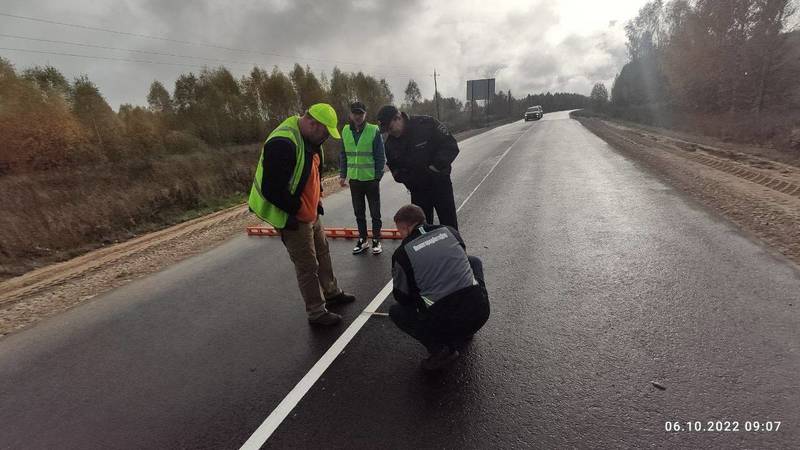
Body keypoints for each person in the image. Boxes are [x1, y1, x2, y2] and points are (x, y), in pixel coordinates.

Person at [248, 103, 355, 326]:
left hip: (310, 210)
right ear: (312, 123)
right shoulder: (282, 143)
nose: (325, 137)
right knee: (308, 265)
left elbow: (313, 173)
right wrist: (297, 212)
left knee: (323, 252)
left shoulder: (312, 139)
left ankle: (332, 292)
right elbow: (272, 189)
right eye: (325, 132)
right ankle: (316, 312)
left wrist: (316, 204)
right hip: (291, 216)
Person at [389, 204, 490, 370]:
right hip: (480, 313)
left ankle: (441, 350)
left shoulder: (402, 253)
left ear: (405, 227)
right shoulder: (449, 231)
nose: (400, 235)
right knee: (474, 261)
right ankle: (466, 330)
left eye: (399, 231)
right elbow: (461, 258)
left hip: (446, 322)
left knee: (397, 310)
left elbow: (402, 297)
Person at [376, 105, 460, 229]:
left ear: (398, 118)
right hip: (418, 191)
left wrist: (434, 168)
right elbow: (395, 170)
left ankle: (454, 248)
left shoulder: (426, 124)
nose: (390, 132)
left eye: (390, 128)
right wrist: (409, 180)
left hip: (440, 184)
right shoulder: (390, 144)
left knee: (449, 226)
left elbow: (450, 146)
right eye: (387, 130)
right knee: (421, 231)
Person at [339, 101, 386, 255]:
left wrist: (377, 177)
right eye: (355, 113)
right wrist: (342, 175)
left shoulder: (374, 130)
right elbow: (343, 155)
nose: (358, 116)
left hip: (371, 180)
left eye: (361, 113)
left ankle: (376, 240)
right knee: (359, 212)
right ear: (350, 115)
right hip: (354, 180)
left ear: (365, 114)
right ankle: (363, 239)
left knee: (375, 213)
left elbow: (380, 156)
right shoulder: (345, 131)